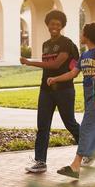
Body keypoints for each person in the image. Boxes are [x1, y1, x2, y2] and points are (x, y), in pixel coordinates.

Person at [47, 22, 95, 179]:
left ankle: (75, 166)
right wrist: (55, 78)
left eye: (83, 32)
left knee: (85, 128)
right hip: (88, 96)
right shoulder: (85, 55)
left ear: (89, 36)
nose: (80, 35)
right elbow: (72, 74)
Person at [20, 10, 80, 173]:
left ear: (62, 26)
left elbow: (55, 65)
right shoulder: (46, 44)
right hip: (46, 90)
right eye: (52, 23)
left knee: (69, 122)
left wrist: (30, 62)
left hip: (64, 89)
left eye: (58, 24)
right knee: (43, 126)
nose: (55, 26)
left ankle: (89, 149)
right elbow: (49, 66)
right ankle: (40, 161)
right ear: (48, 24)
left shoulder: (66, 43)